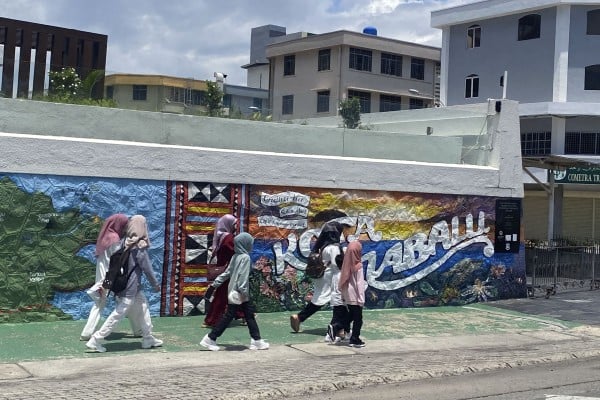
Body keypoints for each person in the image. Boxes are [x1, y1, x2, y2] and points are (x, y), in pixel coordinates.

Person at [85, 215, 163, 353]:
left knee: (143, 307)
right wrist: (155, 284)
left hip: (128, 286)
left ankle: (148, 337)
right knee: (118, 314)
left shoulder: (124, 242)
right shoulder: (139, 246)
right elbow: (147, 269)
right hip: (130, 288)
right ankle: (96, 339)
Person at [200, 232, 269, 351]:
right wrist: (244, 293)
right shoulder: (245, 258)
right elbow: (242, 276)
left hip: (233, 291)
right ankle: (210, 338)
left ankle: (256, 340)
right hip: (240, 293)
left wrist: (214, 284)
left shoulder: (235, 256)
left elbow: (227, 273)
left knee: (249, 316)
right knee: (230, 316)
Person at [80, 214, 144, 341]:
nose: (125, 228)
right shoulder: (114, 239)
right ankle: (138, 329)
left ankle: (87, 333)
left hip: (102, 278)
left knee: (103, 303)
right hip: (111, 277)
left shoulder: (104, 238)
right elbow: (117, 260)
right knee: (127, 300)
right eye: (124, 225)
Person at [290, 221, 344, 334]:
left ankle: (300, 317)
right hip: (331, 277)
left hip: (322, 277)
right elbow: (336, 265)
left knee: (319, 300)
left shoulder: (323, 247)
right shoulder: (334, 247)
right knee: (338, 302)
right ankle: (338, 328)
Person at [203, 214, 244, 327]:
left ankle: (243, 314)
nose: (236, 226)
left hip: (226, 269)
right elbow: (235, 251)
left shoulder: (221, 236)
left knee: (236, 292)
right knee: (222, 296)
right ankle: (211, 320)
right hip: (228, 270)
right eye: (234, 224)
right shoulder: (228, 238)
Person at [339, 240, 366, 348]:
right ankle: (355, 339)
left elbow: (343, 280)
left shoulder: (346, 264)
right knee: (358, 318)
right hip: (355, 295)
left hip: (347, 294)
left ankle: (338, 327)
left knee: (351, 315)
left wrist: (343, 295)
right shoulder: (358, 265)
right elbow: (359, 284)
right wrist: (361, 299)